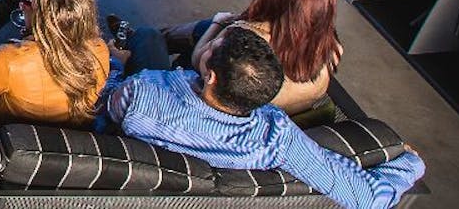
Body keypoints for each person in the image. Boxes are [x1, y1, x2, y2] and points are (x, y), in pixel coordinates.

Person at [107, 26, 424, 209]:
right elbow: (367, 198)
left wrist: (117, 64)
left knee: (145, 36)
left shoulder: (141, 97)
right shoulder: (277, 138)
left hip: (145, 129)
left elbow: (101, 100)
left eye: (213, 47)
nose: (211, 43)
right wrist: (409, 164)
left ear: (212, 76)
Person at [162, 0, 343, 115]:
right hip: (283, 111)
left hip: (224, 99)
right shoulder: (331, 45)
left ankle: (148, 40)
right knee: (209, 27)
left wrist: (218, 23)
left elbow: (198, 60)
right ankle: (162, 38)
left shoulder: (246, 34)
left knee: (160, 37)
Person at [0, 0, 112, 129]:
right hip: (67, 131)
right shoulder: (101, 50)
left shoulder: (9, 58)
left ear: (42, 19)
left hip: (6, 130)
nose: (23, 5)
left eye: (33, 1)